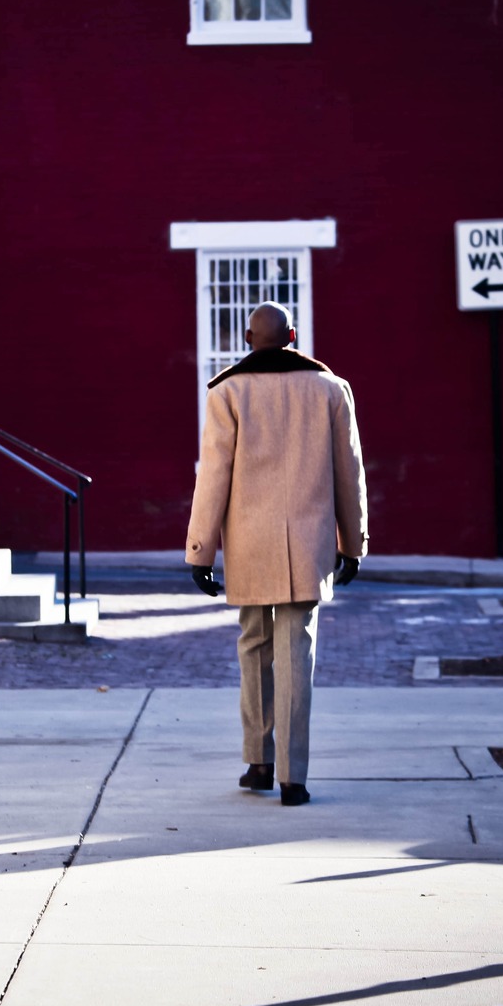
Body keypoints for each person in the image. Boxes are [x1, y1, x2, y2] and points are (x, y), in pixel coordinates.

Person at [184, 301, 368, 806]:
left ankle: (258, 762)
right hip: (307, 545)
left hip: (249, 541)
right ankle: (294, 777)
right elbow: (349, 473)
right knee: (296, 654)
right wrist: (353, 544)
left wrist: (200, 552)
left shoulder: (228, 392)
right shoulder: (331, 389)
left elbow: (213, 476)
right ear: (292, 336)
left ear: (248, 339)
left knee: (253, 646)